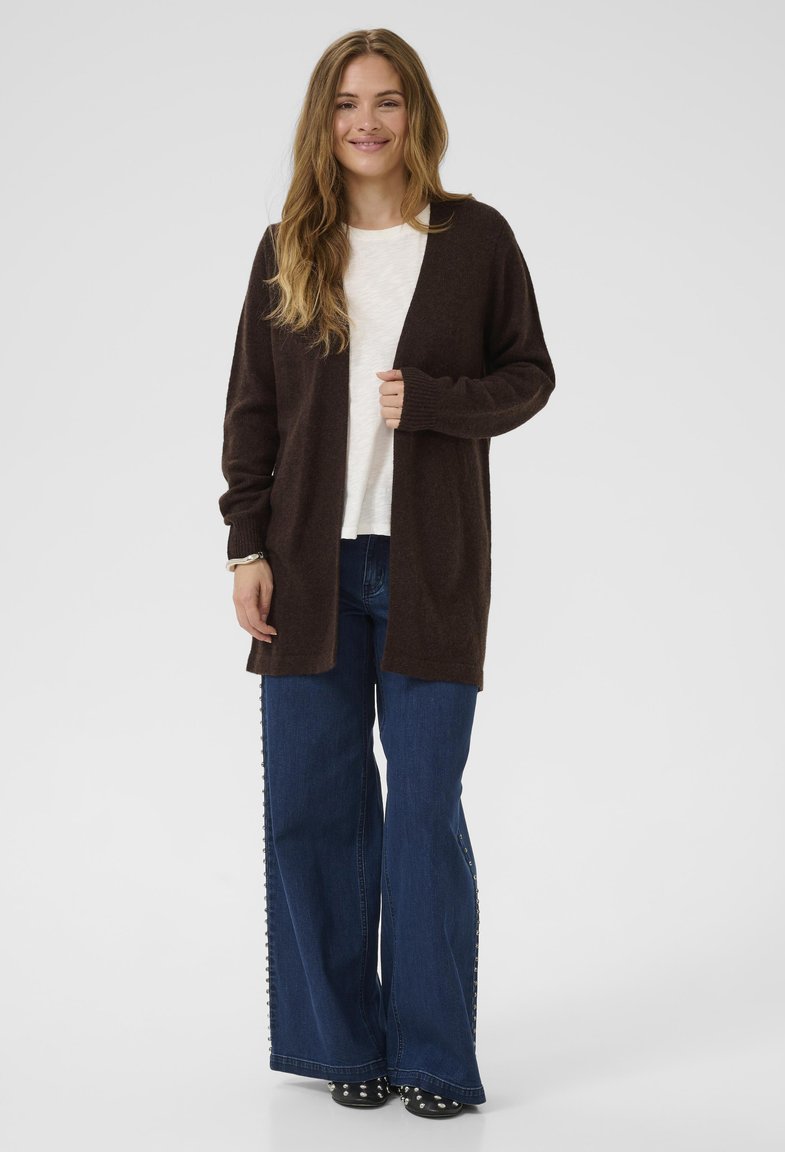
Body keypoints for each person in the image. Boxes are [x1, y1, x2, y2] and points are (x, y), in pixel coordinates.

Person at [218, 27, 556, 1119]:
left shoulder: (474, 238)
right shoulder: (289, 248)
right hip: (306, 573)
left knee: (421, 812)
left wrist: (438, 402)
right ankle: (342, 1046)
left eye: (388, 101)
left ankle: (434, 1058)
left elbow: (530, 375)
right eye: (346, 103)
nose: (367, 122)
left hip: (430, 567)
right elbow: (252, 414)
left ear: (417, 114)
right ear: (323, 122)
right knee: (311, 811)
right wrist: (247, 545)